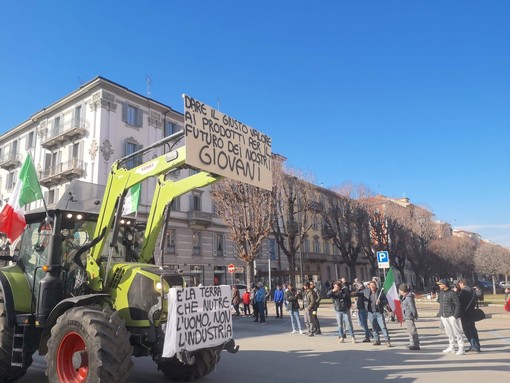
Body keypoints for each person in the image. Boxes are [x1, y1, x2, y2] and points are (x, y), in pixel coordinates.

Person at [437, 279, 465, 355]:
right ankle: (452, 347)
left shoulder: (452, 293)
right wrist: (441, 314)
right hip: (444, 315)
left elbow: (458, 304)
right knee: (449, 333)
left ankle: (461, 348)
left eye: (440, 284)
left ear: (444, 285)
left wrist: (455, 316)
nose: (439, 286)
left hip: (452, 316)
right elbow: (440, 302)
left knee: (457, 332)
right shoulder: (441, 293)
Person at [365, 280, 391, 347]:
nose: (372, 287)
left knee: (383, 327)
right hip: (371, 312)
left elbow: (386, 301)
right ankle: (377, 340)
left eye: (373, 285)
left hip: (379, 312)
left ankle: (387, 340)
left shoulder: (380, 292)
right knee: (374, 327)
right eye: (371, 286)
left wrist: (380, 302)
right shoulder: (368, 292)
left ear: (376, 286)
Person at [458, 279, 481, 352]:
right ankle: (475, 345)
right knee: (472, 329)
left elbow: (460, 301)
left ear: (462, 283)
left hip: (465, 313)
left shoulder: (464, 291)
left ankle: (474, 346)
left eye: (459, 284)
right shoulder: (472, 290)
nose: (459, 286)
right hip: (471, 312)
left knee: (468, 330)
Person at [399, 284, 420, 350]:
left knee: (412, 330)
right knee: (410, 331)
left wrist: (415, 314)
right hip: (406, 315)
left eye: (400, 290)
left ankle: (415, 344)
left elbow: (412, 307)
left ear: (403, 291)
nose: (399, 292)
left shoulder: (408, 297)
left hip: (409, 315)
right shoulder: (405, 296)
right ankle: (412, 344)